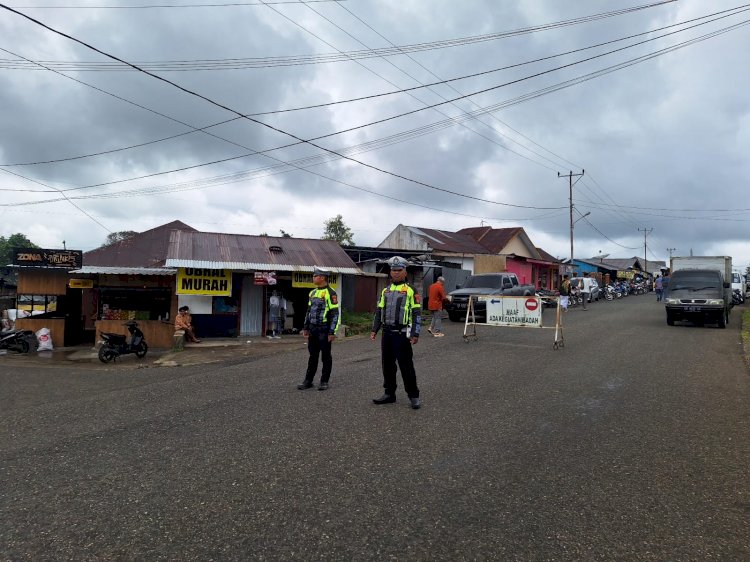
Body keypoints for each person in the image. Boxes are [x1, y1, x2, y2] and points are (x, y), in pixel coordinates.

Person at [370, 256, 422, 409]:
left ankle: (414, 396)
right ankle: (389, 393)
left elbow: (416, 313)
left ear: (405, 272)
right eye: (393, 270)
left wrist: (415, 333)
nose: (396, 273)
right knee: (387, 365)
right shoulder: (386, 290)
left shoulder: (411, 290)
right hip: (387, 334)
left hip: (402, 334)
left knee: (406, 366)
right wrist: (374, 329)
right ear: (390, 272)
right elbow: (379, 311)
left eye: (399, 270)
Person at [297, 267, 340, 391]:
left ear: (322, 278)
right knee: (312, 356)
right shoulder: (312, 293)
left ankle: (324, 381)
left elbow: (334, 313)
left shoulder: (331, 293)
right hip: (313, 329)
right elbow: (309, 311)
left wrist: (332, 331)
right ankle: (308, 381)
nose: (313, 278)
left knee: (326, 356)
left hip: (324, 329)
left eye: (315, 276)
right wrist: (306, 327)